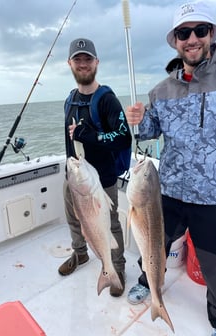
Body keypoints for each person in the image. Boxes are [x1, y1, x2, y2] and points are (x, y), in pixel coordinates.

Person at [125, 2, 216, 335]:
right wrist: (136, 119)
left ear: (212, 34)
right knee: (155, 244)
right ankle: (148, 283)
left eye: (199, 31)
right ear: (175, 41)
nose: (191, 39)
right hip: (169, 191)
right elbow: (148, 132)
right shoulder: (161, 90)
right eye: (183, 33)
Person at [58, 37, 132, 298]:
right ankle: (80, 253)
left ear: (96, 62)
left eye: (87, 59)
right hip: (75, 178)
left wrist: (95, 137)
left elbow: (124, 137)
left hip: (102, 181)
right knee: (74, 220)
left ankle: (115, 268)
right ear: (70, 63)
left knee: (109, 225)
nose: (83, 64)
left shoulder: (107, 100)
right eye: (77, 59)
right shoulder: (69, 100)